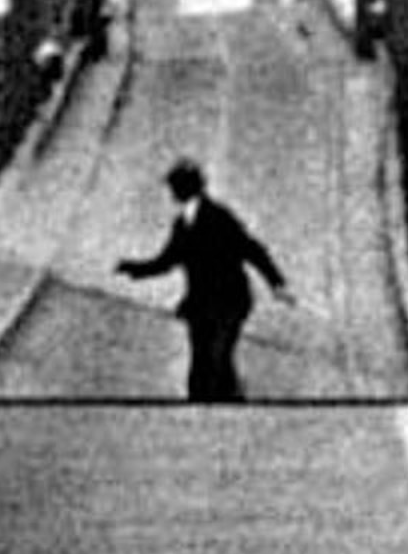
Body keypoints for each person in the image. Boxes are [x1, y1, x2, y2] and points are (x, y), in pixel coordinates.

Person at [115, 157, 294, 402]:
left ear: (183, 188)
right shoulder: (181, 224)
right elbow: (167, 260)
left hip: (230, 302)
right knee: (202, 363)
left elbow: (251, 249)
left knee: (216, 358)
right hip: (200, 305)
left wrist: (277, 284)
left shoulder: (219, 217)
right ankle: (205, 414)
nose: (171, 193)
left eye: (174, 187)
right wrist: (133, 268)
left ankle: (228, 407)